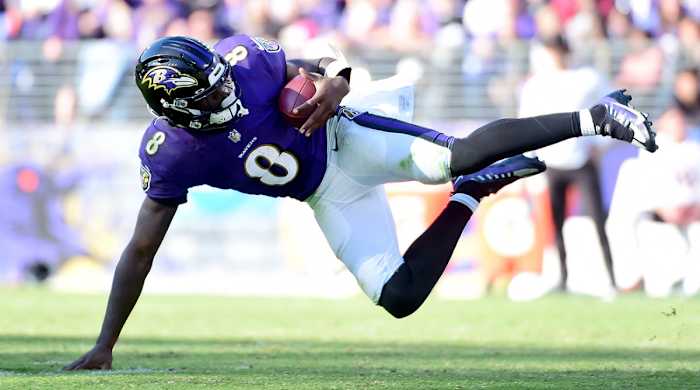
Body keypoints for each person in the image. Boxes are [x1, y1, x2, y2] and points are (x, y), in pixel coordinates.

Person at [64, 34, 657, 370]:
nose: (228, 91)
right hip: (324, 194)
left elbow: (325, 63)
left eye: (224, 79)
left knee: (460, 153)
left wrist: (335, 82)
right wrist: (106, 342)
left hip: (345, 136)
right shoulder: (169, 152)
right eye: (212, 92)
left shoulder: (242, 62)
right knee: (398, 297)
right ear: (176, 111)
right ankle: (471, 199)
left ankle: (597, 116)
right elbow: (141, 248)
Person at [519, 35, 616, 294]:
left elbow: (612, 105)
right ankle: (563, 277)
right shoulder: (536, 84)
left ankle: (611, 277)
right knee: (556, 222)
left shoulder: (586, 78)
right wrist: (530, 161)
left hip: (582, 160)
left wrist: (600, 144)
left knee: (598, 219)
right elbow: (525, 123)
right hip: (553, 163)